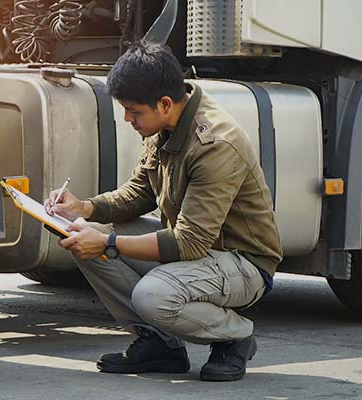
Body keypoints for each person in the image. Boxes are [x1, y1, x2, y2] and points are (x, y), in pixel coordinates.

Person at [44, 40, 282, 382]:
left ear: (165, 103)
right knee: (80, 236)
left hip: (242, 262)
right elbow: (140, 193)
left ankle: (235, 336)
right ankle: (160, 345)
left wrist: (108, 243)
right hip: (199, 252)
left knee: (152, 295)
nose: (127, 118)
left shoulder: (215, 143)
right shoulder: (165, 123)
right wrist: (84, 207)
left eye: (133, 111)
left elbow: (189, 244)